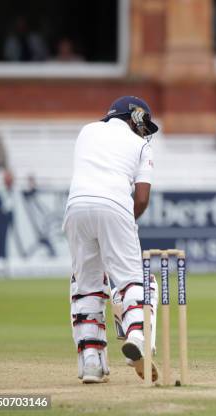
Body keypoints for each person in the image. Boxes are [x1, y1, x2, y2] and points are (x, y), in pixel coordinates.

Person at [63, 96, 159, 383]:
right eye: (144, 125)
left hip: (75, 207)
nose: (145, 132)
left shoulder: (86, 131)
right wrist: (124, 226)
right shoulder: (140, 145)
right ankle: (138, 338)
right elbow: (141, 199)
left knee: (87, 286)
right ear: (135, 117)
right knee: (135, 281)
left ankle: (91, 362)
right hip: (115, 204)